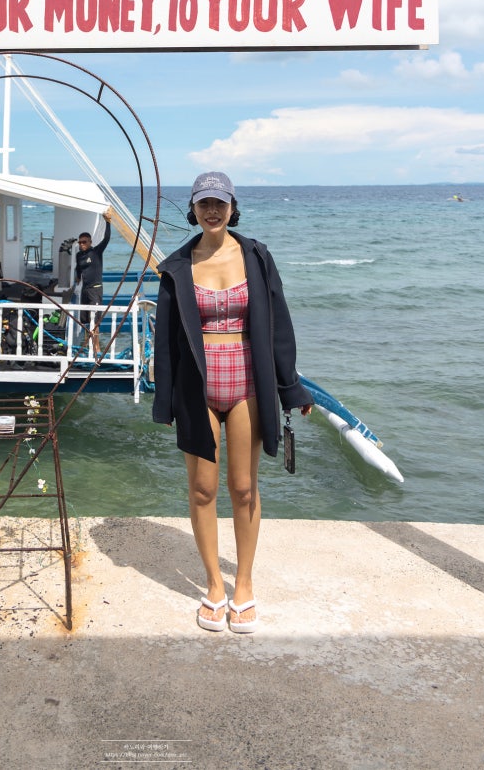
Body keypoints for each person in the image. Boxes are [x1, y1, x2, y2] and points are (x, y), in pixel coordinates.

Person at [152, 172, 313, 634]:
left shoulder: (256, 257)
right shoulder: (177, 267)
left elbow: (279, 325)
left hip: (247, 383)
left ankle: (243, 584)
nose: (212, 211)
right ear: (193, 208)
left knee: (243, 488)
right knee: (203, 489)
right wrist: (165, 400)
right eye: (204, 203)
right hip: (197, 386)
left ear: (232, 206)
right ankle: (213, 586)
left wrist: (290, 387)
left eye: (219, 203)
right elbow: (166, 340)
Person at [75, 209, 112, 355]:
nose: (82, 244)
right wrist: (77, 278)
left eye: (84, 242)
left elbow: (106, 239)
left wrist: (108, 222)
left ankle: (97, 348)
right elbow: (78, 268)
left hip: (95, 289)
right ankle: (88, 345)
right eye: (80, 242)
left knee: (95, 321)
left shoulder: (96, 252)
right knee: (85, 320)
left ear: (90, 242)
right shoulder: (79, 255)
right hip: (85, 289)